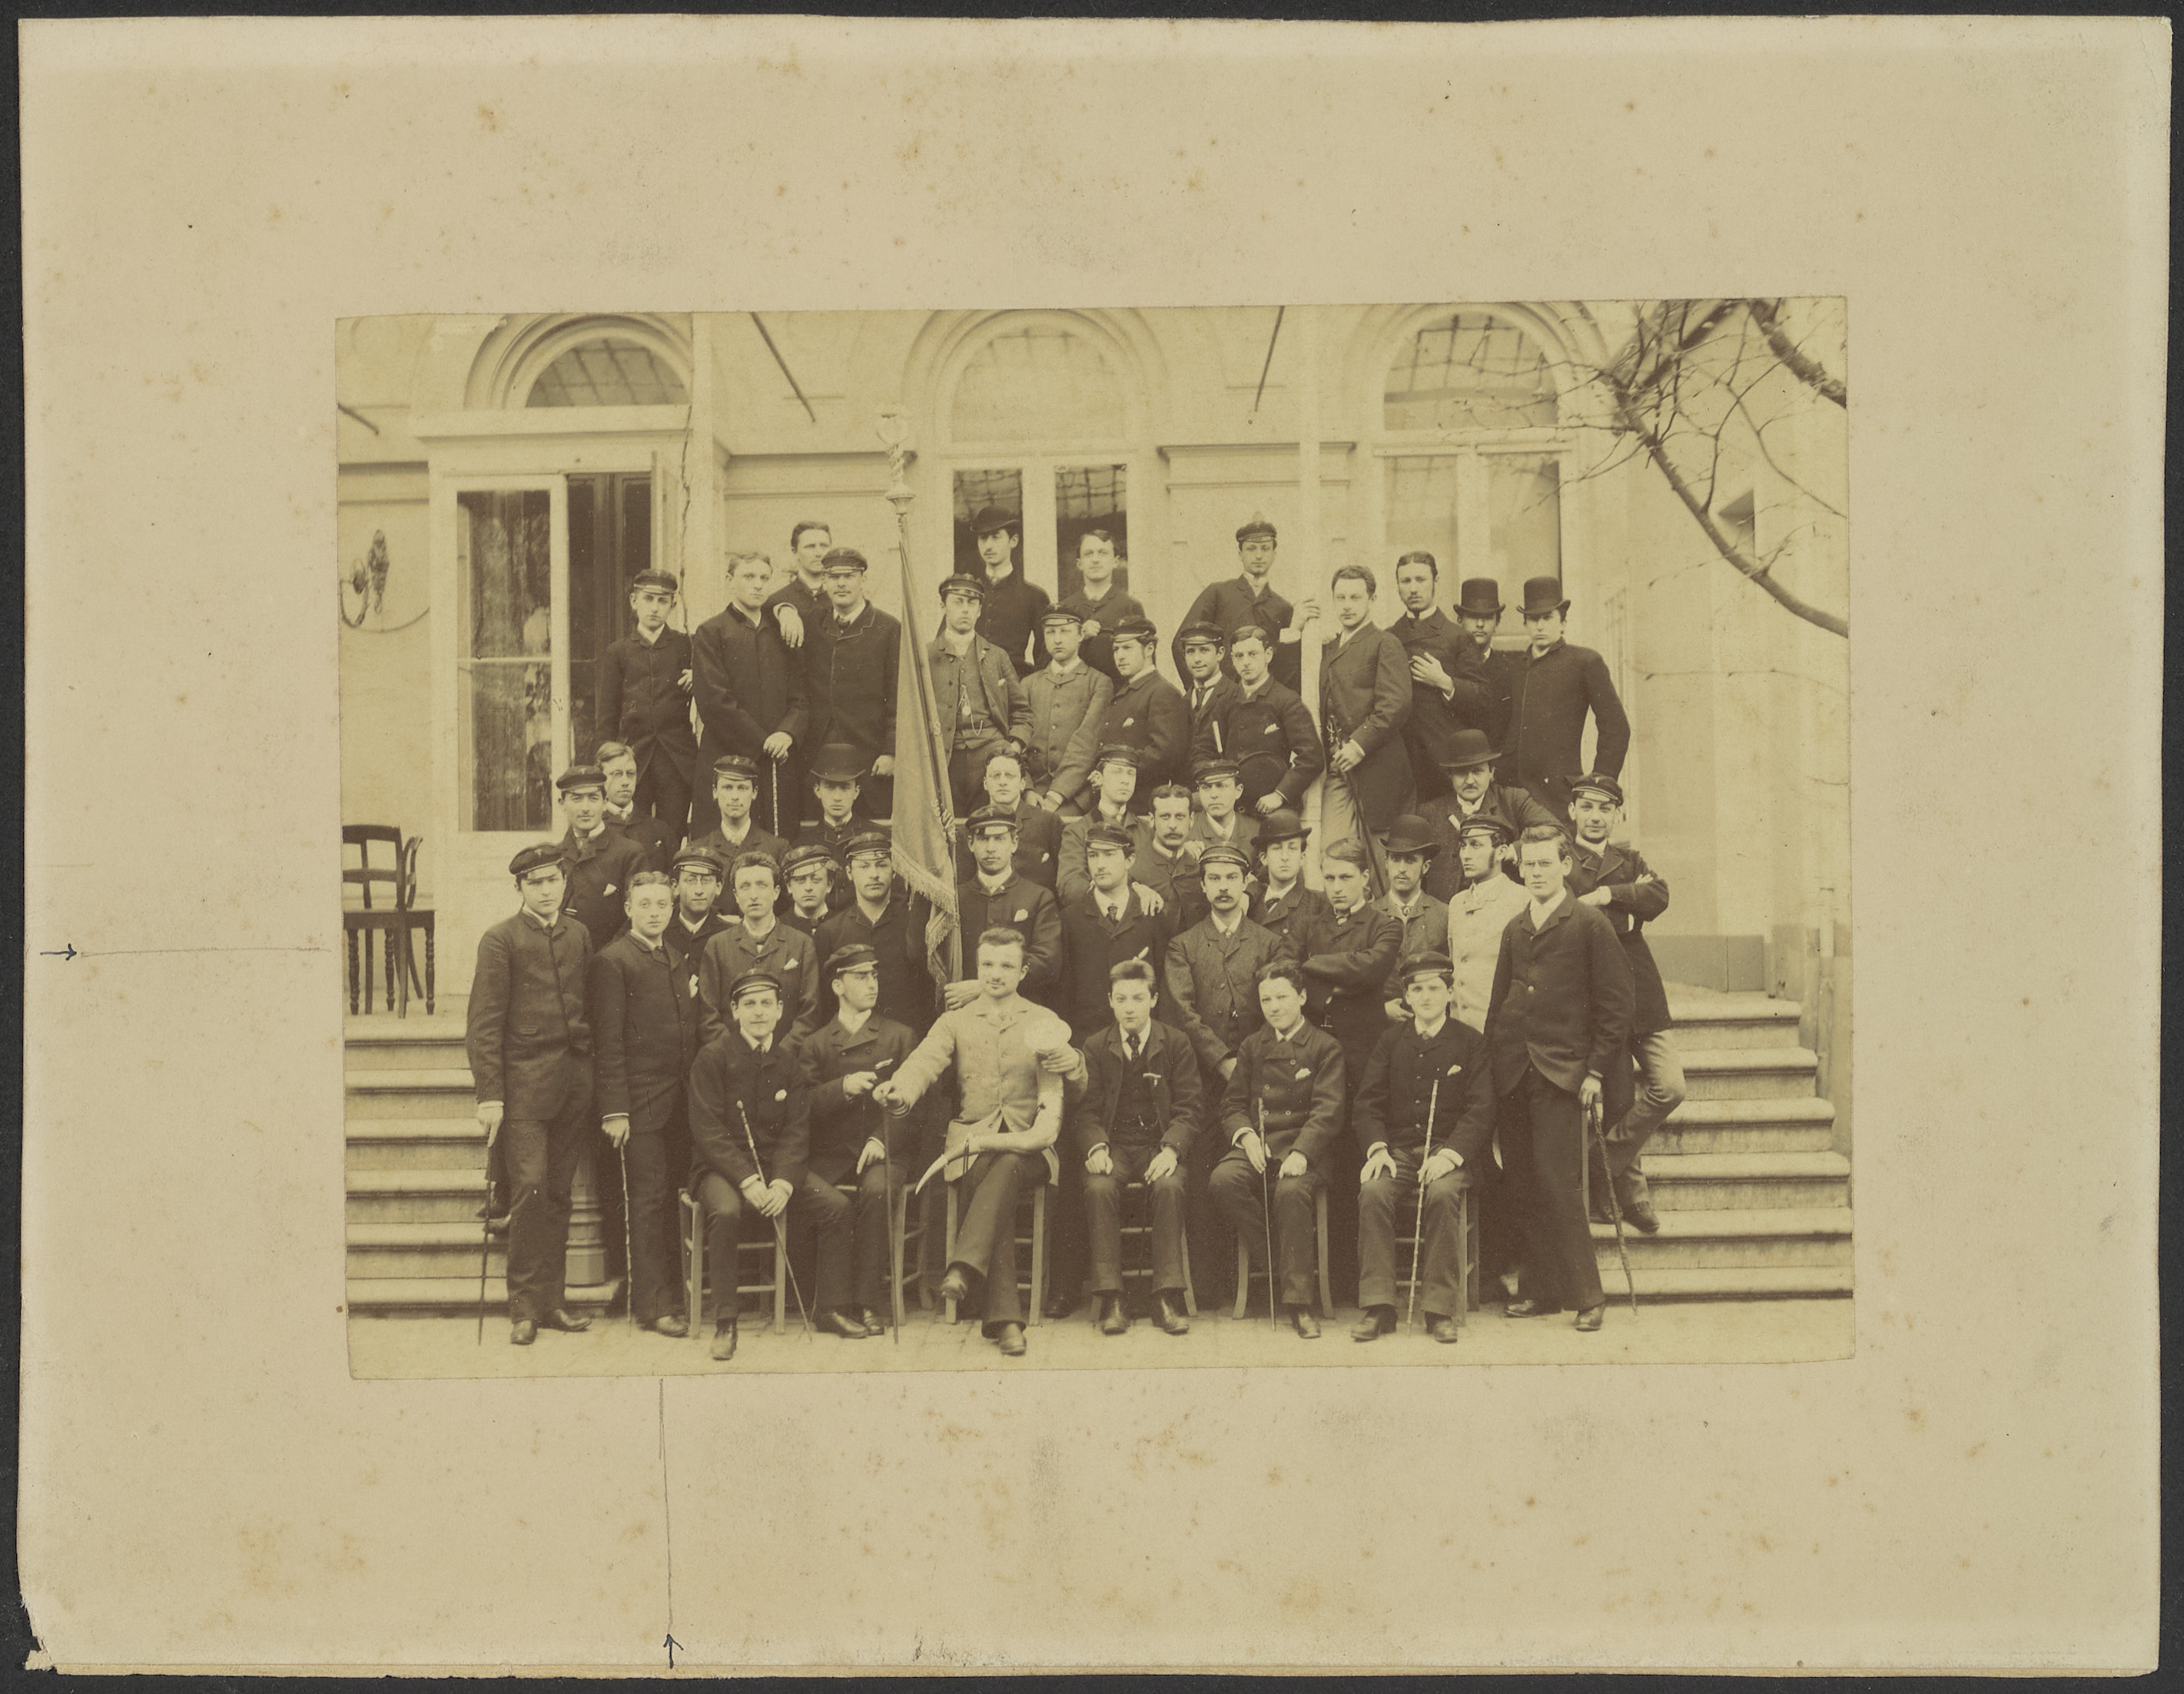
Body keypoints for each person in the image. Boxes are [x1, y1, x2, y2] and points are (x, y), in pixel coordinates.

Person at [873, 928, 1087, 1357]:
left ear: (1023, 972)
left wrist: (1076, 1065)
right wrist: (899, 1090)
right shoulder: (956, 1020)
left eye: (1007, 965)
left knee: (1006, 1164)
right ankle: (1005, 1321)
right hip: (970, 1145)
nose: (995, 973)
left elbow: (1066, 1095)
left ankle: (964, 1267)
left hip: (1031, 1146)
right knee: (994, 1177)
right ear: (977, 966)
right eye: (987, 964)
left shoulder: (1043, 1020)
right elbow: (925, 1062)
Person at [1485, 824, 1635, 1332]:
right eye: (1528, 864)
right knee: (1523, 1183)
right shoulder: (1515, 928)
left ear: (1566, 866)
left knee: (1559, 1183)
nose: (1535, 873)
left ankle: (1589, 1296)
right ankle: (1540, 1290)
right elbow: (1499, 1004)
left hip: (1563, 1074)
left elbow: (1616, 1008)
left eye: (1545, 863)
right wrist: (1493, 1064)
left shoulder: (1590, 924)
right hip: (1513, 1071)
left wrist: (1594, 1071)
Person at [686, 969, 860, 1360]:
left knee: (837, 1207)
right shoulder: (712, 1057)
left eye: (767, 1004)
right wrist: (747, 1180)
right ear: (734, 1011)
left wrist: (783, 1183)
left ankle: (830, 1308)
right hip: (719, 1169)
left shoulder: (787, 1062)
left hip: (775, 1169)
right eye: (749, 1004)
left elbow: (797, 1132)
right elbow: (708, 1131)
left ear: (781, 1010)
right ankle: (726, 1323)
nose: (759, 1012)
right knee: (727, 1211)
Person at [466, 842, 596, 1347]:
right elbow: (484, 1023)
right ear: (519, 887)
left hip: (573, 1084)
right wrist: (490, 1094)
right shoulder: (501, 939)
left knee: (560, 1195)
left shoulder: (578, 934)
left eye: (552, 880)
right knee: (531, 1190)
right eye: (535, 882)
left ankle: (553, 1301)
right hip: (522, 1088)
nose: (546, 890)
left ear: (564, 881)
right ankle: (522, 1307)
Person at [1161, 843, 1292, 1302]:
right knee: (1203, 1176)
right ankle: (1210, 1285)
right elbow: (1184, 1012)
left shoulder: (1268, 942)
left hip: (1260, 1077)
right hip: (1202, 1080)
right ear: (1202, 886)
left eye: (1231, 878)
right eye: (1213, 879)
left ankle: (1269, 1279)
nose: (1222, 887)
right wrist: (1222, 1060)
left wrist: (1247, 1063)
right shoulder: (1183, 945)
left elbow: (1278, 1006)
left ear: (1246, 884)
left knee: (1259, 1171)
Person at [1349, 952, 1495, 1344]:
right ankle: (1379, 1307)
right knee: (1373, 1192)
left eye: (1434, 988)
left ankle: (1438, 1310)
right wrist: (1378, 1149)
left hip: (1450, 1154)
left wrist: (1449, 1155)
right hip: (1398, 1151)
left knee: (1442, 1195)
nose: (1426, 997)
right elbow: (1367, 1103)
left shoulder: (1471, 1042)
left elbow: (1482, 1109)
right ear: (1407, 997)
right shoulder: (1390, 1041)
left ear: (1449, 992)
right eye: (1417, 990)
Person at [798, 943, 936, 1336]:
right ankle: (829, 1304)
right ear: (837, 986)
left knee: (876, 1193)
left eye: (874, 975)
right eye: (860, 977)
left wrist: (880, 1139)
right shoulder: (816, 1044)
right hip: (832, 1155)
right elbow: (802, 1107)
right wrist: (841, 1087)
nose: (872, 984)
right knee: (823, 1200)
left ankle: (867, 1303)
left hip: (886, 1149)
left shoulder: (899, 1036)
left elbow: (918, 1108)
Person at [1565, 772, 1677, 1235]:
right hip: (1593, 994)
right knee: (1618, 1099)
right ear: (1572, 811)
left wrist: (1609, 894)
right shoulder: (1561, 860)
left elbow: (1659, 896)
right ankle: (1631, 1197)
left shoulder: (1629, 860)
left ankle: (1599, 1162)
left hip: (1641, 990)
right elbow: (1571, 916)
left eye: (1605, 808)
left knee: (1671, 1087)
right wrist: (1626, 913)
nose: (1596, 817)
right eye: (1587, 807)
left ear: (1617, 815)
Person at [1210, 960, 1346, 1338]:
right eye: (1266, 999)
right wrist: (1246, 1136)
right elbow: (1232, 1105)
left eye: (1282, 997)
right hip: (1260, 1143)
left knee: (1290, 1192)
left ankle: (1299, 1305)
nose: (1273, 1007)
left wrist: (1302, 1153)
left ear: (1301, 997)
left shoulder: (1325, 1047)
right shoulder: (1253, 1046)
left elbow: (1329, 1111)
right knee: (1223, 1180)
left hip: (1306, 1148)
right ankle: (1280, 1264)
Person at [588, 870, 698, 1338]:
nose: (655, 913)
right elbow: (608, 1041)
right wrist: (615, 1109)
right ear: (629, 909)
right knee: (648, 1202)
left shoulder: (674, 956)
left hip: (680, 1105)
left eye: (662, 904)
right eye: (645, 905)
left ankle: (677, 1294)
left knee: (674, 1198)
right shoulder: (613, 961)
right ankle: (652, 1306)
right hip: (638, 1106)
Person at [1298, 838, 1402, 1303]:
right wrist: (1339, 982)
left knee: (1364, 1159)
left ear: (1365, 878)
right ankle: (1335, 1278)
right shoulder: (1308, 924)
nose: (1337, 887)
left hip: (1365, 1058)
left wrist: (1316, 972)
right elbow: (1290, 971)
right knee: (1329, 1158)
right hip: (1319, 1059)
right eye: (1329, 878)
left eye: (1346, 877)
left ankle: (1369, 1281)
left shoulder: (1386, 925)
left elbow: (1372, 970)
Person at [1073, 959, 1200, 1337]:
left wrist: (1172, 1149)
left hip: (1158, 1144)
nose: (1129, 1008)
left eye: (1138, 998)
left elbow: (1190, 1107)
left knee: (1170, 1186)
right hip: (1115, 1145)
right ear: (1110, 1001)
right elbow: (1086, 1111)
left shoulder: (1175, 1042)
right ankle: (1112, 1297)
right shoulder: (1095, 1046)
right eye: (1121, 999)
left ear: (1154, 1000)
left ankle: (1166, 1297)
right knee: (1099, 1188)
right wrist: (1096, 1147)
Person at [691, 549, 809, 838]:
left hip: (778, 760)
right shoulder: (711, 632)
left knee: (777, 844)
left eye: (764, 578)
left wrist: (787, 733)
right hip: (728, 757)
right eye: (749, 577)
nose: (758, 585)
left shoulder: (782, 632)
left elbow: (801, 698)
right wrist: (763, 740)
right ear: (730, 580)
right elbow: (715, 702)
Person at [1499, 576, 1632, 824]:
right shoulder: (1514, 668)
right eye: (1533, 619)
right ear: (1525, 624)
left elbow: (1616, 729)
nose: (1540, 626)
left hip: (1558, 797)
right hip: (1514, 797)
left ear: (1563, 622)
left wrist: (1597, 787)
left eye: (1547, 618)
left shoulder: (1584, 662)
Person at [595, 569, 698, 838]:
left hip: (676, 760)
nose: (655, 608)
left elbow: (715, 686)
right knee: (629, 833)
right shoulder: (619, 651)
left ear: (673, 605)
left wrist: (700, 677)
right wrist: (604, 763)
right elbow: (607, 714)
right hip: (633, 759)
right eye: (648, 599)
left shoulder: (687, 646)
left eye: (663, 601)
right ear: (634, 601)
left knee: (672, 833)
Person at [798, 546, 900, 819]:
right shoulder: (811, 623)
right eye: (833, 577)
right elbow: (770, 606)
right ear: (824, 582)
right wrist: (783, 610)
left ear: (863, 580)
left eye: (849, 576)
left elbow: (898, 697)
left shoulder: (888, 628)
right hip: (818, 754)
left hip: (869, 756)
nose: (841, 584)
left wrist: (891, 751)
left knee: (871, 830)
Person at [1317, 562, 1416, 839]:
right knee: (1335, 852)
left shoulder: (1385, 643)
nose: (1347, 605)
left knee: (1380, 854)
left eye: (1355, 597)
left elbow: (1395, 704)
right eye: (1340, 598)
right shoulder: (1329, 648)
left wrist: (1359, 745)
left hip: (1378, 767)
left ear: (1372, 599)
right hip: (1338, 768)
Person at [1387, 550, 1495, 802]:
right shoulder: (1388, 637)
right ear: (1398, 586)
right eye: (1406, 581)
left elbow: (1484, 700)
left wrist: (1445, 682)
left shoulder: (1457, 637)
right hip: (1401, 762)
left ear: (1436, 581)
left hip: (1443, 763)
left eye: (1421, 579)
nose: (1413, 588)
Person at [1058, 821, 1177, 1041]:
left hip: (1142, 1038)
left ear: (1129, 860)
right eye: (1093, 856)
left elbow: (1166, 987)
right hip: (1087, 1040)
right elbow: (1064, 992)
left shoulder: (1152, 915)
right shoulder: (1070, 919)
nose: (1100, 864)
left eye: (1109, 855)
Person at [1173, 515, 1319, 694]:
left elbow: (1284, 668)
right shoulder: (1218, 593)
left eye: (1265, 549)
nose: (1258, 556)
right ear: (1240, 554)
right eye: (1251, 549)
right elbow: (1181, 643)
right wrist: (1201, 693)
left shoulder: (1282, 607)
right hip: (1221, 699)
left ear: (1274, 554)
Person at [1191, 624, 1323, 818]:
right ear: (1232, 660)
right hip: (1231, 801)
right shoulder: (1225, 701)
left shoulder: (1286, 701)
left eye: (1253, 654)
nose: (1246, 662)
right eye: (1239, 656)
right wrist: (1215, 784)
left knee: (1281, 823)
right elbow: (1202, 750)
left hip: (1271, 803)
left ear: (1268, 655)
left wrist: (1280, 794)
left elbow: (1312, 758)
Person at [928, 573, 1032, 815]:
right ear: (943, 606)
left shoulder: (996, 656)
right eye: (958, 602)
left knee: (994, 821)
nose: (965, 609)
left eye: (972, 602)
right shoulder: (927, 656)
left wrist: (1013, 747)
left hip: (991, 752)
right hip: (945, 756)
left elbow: (1022, 712)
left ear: (979, 610)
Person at [697, 851, 821, 1047]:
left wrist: (781, 1054)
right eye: (745, 887)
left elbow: (810, 1014)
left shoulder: (801, 944)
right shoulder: (717, 945)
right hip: (732, 1059)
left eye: (761, 885)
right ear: (736, 895)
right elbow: (708, 1016)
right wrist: (737, 1055)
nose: (753, 895)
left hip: (787, 1058)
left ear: (776, 892)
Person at [1418, 731, 1558, 901]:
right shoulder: (1429, 812)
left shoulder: (1512, 800)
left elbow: (1556, 831)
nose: (1470, 781)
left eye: (1477, 771)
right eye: (1461, 773)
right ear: (1450, 776)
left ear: (1491, 773)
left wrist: (1515, 850)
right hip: (1446, 909)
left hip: (1502, 907)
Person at [815, 830, 933, 1032]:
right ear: (850, 873)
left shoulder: (914, 926)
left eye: (882, 865)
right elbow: (825, 1005)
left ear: (894, 871)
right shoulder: (830, 932)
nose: (874, 874)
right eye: (864, 866)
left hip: (907, 1041)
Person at [954, 804, 1064, 1013]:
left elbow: (1047, 963)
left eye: (999, 839)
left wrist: (982, 987)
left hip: (1022, 1014)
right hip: (967, 1014)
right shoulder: (955, 899)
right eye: (983, 839)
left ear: (1014, 843)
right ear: (970, 844)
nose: (991, 848)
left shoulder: (1039, 897)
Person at [1022, 607, 1114, 818]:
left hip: (1076, 795)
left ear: (1081, 635)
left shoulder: (1098, 683)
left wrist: (1055, 796)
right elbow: (1019, 740)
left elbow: (1087, 743)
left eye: (1065, 631)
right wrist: (1026, 789)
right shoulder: (1029, 684)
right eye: (1050, 632)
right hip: (1032, 794)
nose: (1057, 639)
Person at [1444, 815, 1529, 1032]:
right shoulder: (1457, 903)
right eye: (1463, 846)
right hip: (1459, 1029)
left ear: (1501, 852)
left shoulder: (1522, 900)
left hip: (1501, 1031)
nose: (1466, 855)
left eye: (1476, 845)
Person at [552, 764, 649, 951]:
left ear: (605, 802)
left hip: (611, 959)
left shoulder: (629, 853)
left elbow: (638, 917)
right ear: (562, 804)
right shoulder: (553, 856)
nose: (585, 808)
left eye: (593, 798)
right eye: (576, 799)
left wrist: (606, 959)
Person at [1056, 748, 1165, 913]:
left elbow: (1159, 881)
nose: (1125, 781)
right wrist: (1131, 890)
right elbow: (1070, 886)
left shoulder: (1147, 831)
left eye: (1131, 774)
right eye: (1117, 772)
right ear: (1099, 778)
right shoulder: (1077, 831)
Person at [1094, 615, 1189, 800]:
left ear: (1149, 649)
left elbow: (1163, 755)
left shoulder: (1162, 692)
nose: (1120, 656)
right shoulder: (1126, 692)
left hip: (1142, 801)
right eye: (1116, 649)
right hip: (1115, 797)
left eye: (1127, 648)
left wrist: (1112, 773)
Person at [954, 747, 1063, 891]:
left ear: (1023, 784)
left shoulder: (1048, 823)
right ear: (985, 783)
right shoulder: (969, 829)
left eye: (1010, 776)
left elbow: (1061, 881)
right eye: (996, 776)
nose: (1002, 782)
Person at [969, 506, 1052, 676]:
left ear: (1013, 541)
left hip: (1013, 682)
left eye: (996, 537)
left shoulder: (1034, 596)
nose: (988, 546)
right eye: (983, 538)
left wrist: (1030, 686)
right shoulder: (968, 592)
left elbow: (1045, 653)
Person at [1055, 528, 1143, 686]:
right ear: (1079, 564)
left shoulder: (1130, 607)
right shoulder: (1064, 608)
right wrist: (1079, 637)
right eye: (1088, 554)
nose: (1095, 560)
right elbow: (1048, 664)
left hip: (1118, 695)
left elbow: (1144, 667)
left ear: (1115, 561)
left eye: (1103, 553)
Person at [1375, 814, 1450, 987]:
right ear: (1386, 863)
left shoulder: (1444, 914)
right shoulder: (1371, 914)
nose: (1401, 869)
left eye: (1410, 860)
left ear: (1425, 866)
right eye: (1395, 859)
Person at [682, 754, 790, 874]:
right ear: (715, 791)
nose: (735, 797)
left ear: (754, 792)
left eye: (742, 788)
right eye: (727, 788)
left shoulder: (777, 849)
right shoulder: (698, 850)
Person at [1250, 809, 1335, 959]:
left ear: (1302, 858)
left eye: (1292, 848)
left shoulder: (1319, 904)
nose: (1285, 857)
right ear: (1264, 858)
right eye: (1277, 848)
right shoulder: (1249, 902)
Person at [1128, 784, 1209, 937]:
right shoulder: (1132, 866)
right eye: (1165, 817)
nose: (1173, 825)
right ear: (1152, 820)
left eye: (1180, 817)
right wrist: (1134, 888)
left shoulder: (1202, 867)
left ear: (1191, 820)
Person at [662, 845, 734, 1010]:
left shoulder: (729, 934)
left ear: (718, 887)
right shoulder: (659, 930)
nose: (699, 890)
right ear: (675, 886)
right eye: (691, 880)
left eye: (706, 881)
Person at [1454, 576, 1519, 746]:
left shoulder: (1510, 670)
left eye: (1488, 617)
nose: (1480, 624)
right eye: (1473, 616)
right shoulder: (1449, 666)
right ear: (1460, 620)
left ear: (1498, 622)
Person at [761, 519, 836, 655]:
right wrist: (783, 609)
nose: (819, 553)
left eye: (824, 546)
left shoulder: (843, 597)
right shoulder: (776, 601)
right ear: (795, 552)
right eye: (810, 547)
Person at [798, 747, 867, 894]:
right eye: (829, 788)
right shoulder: (803, 843)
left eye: (845, 788)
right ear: (817, 790)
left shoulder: (874, 836)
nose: (837, 797)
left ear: (856, 791)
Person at [597, 741, 675, 870]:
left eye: (630, 774)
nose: (625, 782)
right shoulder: (592, 829)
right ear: (601, 779)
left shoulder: (660, 830)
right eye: (616, 774)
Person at [1181, 757, 1260, 874]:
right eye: (1206, 787)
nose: (1214, 795)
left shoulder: (1256, 830)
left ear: (1238, 791)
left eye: (1221, 786)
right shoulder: (1185, 831)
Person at [1177, 621, 1239, 748]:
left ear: (1220, 653)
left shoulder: (1236, 696)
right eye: (1190, 651)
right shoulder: (1182, 702)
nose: (1197, 659)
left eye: (1204, 650)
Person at [778, 843, 839, 938]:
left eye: (816, 880)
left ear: (829, 885)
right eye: (800, 880)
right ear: (789, 886)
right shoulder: (778, 928)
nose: (808, 887)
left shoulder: (844, 926)